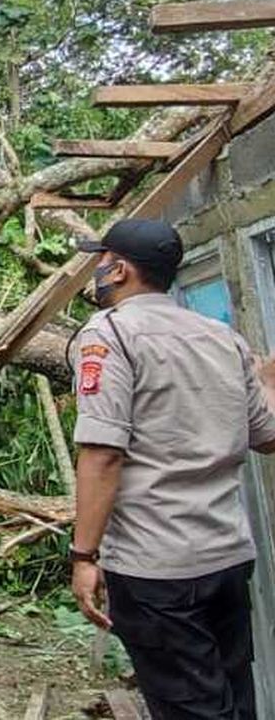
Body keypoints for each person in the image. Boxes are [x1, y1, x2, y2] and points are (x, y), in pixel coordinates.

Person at [67, 218, 275, 719]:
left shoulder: (109, 335)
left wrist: (83, 555)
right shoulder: (221, 337)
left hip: (156, 568)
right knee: (233, 698)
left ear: (119, 270)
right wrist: (266, 383)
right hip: (227, 555)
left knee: (190, 709)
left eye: (101, 260)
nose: (97, 270)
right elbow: (268, 437)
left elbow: (103, 455)